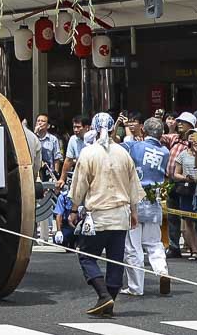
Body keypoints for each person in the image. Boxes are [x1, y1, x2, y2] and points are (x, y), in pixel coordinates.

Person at [68, 112, 144, 316]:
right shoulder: (123, 153)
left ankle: (103, 295)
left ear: (93, 128)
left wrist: (74, 209)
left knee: (86, 255)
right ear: (113, 129)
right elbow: (133, 186)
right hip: (121, 215)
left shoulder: (88, 153)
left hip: (99, 216)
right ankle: (109, 299)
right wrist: (134, 212)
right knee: (115, 259)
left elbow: (79, 185)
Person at [122, 117, 172, 297]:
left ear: (144, 130)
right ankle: (162, 271)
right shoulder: (165, 152)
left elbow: (120, 150)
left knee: (133, 247)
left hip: (135, 201)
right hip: (154, 201)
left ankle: (136, 286)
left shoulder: (136, 147)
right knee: (154, 243)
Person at [165, 111, 196, 258]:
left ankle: (193, 248)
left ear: (192, 125)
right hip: (172, 182)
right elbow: (159, 137)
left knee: (189, 217)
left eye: (183, 122)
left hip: (187, 184)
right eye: (179, 121)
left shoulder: (193, 143)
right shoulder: (174, 139)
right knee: (172, 215)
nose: (180, 124)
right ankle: (174, 246)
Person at [34, 114, 62, 242]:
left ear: (48, 125)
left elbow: (56, 157)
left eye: (43, 121)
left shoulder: (53, 140)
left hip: (48, 172)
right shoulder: (32, 137)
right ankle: (36, 231)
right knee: (36, 201)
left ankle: (47, 231)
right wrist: (35, 134)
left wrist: (55, 174)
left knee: (47, 201)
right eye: (38, 120)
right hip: (35, 173)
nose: (40, 123)